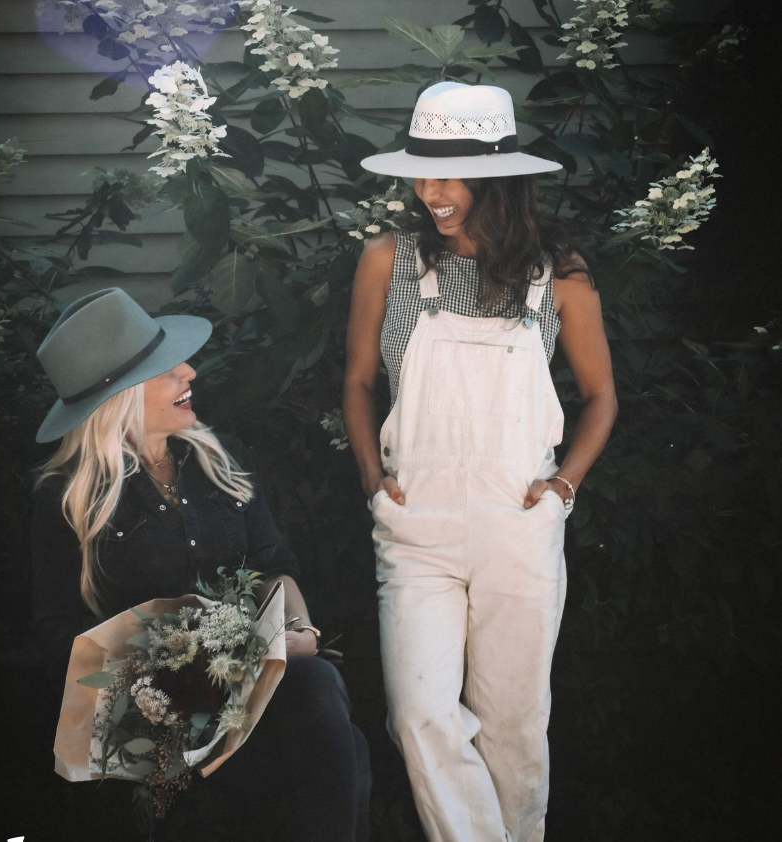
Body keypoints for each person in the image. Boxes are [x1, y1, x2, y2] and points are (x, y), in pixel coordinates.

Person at [343, 82, 618, 842]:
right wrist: (373, 482)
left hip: (518, 521)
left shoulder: (558, 273)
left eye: (449, 176)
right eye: (421, 175)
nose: (430, 193)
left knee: (514, 726)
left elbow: (601, 397)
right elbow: (358, 382)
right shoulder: (387, 261)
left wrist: (562, 489)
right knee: (419, 714)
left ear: (498, 179)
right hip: (416, 524)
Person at [31, 287, 370, 842]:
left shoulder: (219, 458)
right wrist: (186, 665)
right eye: (167, 369)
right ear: (120, 395)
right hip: (149, 717)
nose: (189, 371)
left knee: (315, 689)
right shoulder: (68, 499)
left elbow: (272, 565)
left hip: (253, 693)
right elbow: (58, 643)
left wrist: (299, 631)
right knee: (330, 748)